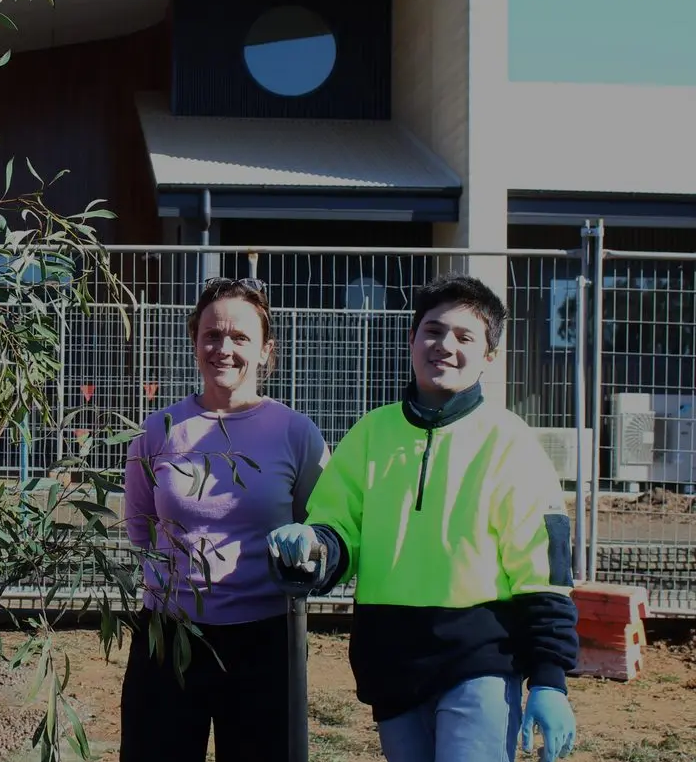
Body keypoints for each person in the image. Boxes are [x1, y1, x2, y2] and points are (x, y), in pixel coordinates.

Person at [267, 273, 580, 762]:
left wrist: (550, 680)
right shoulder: (372, 432)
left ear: (489, 356)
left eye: (464, 336)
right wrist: (313, 547)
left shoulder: (510, 443)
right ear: (412, 339)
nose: (444, 345)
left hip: (481, 661)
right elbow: (339, 530)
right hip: (391, 662)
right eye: (432, 331)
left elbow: (542, 571)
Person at [120, 276, 331, 762]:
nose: (224, 348)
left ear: (264, 350)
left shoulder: (296, 433)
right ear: (194, 341)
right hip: (169, 635)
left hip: (265, 638)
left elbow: (316, 525)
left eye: (240, 337)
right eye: (212, 335)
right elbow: (141, 526)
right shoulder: (159, 431)